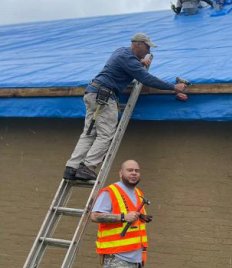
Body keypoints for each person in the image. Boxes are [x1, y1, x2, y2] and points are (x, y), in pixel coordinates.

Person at [63, 33, 187, 181]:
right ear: (138, 44)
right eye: (147, 47)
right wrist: (174, 87)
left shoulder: (121, 51)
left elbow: (129, 65)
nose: (149, 51)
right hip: (105, 97)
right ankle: (87, 168)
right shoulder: (128, 59)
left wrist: (140, 63)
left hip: (93, 93)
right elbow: (146, 78)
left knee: (89, 133)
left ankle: (72, 168)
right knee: (105, 134)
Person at [91, 160, 152, 267]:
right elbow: (95, 216)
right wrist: (123, 217)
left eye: (136, 171)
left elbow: (133, 215)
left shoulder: (138, 193)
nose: (134, 173)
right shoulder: (110, 191)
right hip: (117, 257)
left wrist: (142, 217)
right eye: (129, 170)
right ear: (120, 173)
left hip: (137, 257)